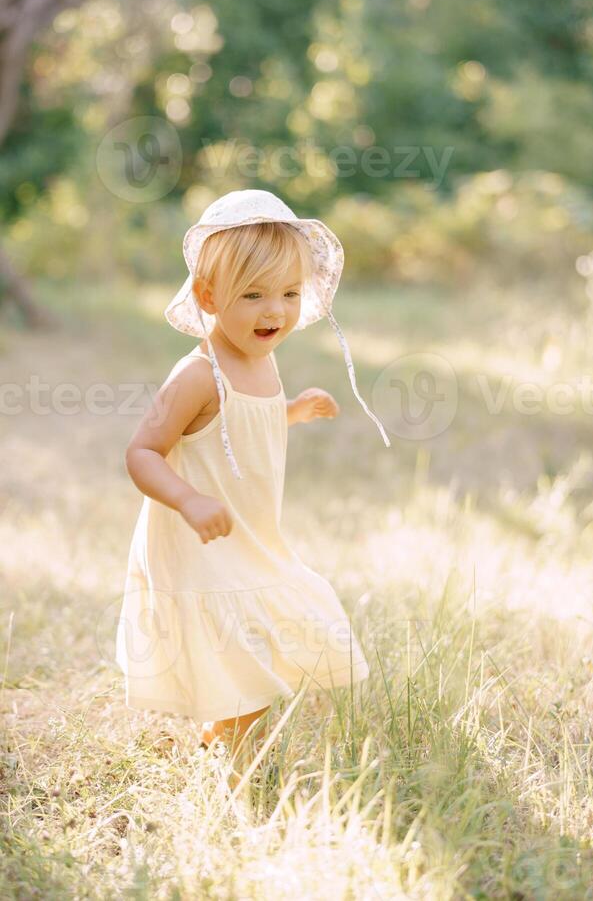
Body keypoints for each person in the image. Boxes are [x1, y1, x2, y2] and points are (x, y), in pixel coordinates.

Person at [114, 188, 391, 782]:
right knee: (243, 655)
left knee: (262, 642)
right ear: (209, 297)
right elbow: (142, 452)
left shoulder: (260, 356)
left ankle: (218, 740)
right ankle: (232, 766)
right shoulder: (195, 375)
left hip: (253, 536)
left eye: (291, 294)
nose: (276, 312)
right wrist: (187, 499)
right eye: (255, 295)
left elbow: (238, 424)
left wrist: (291, 410)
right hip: (202, 543)